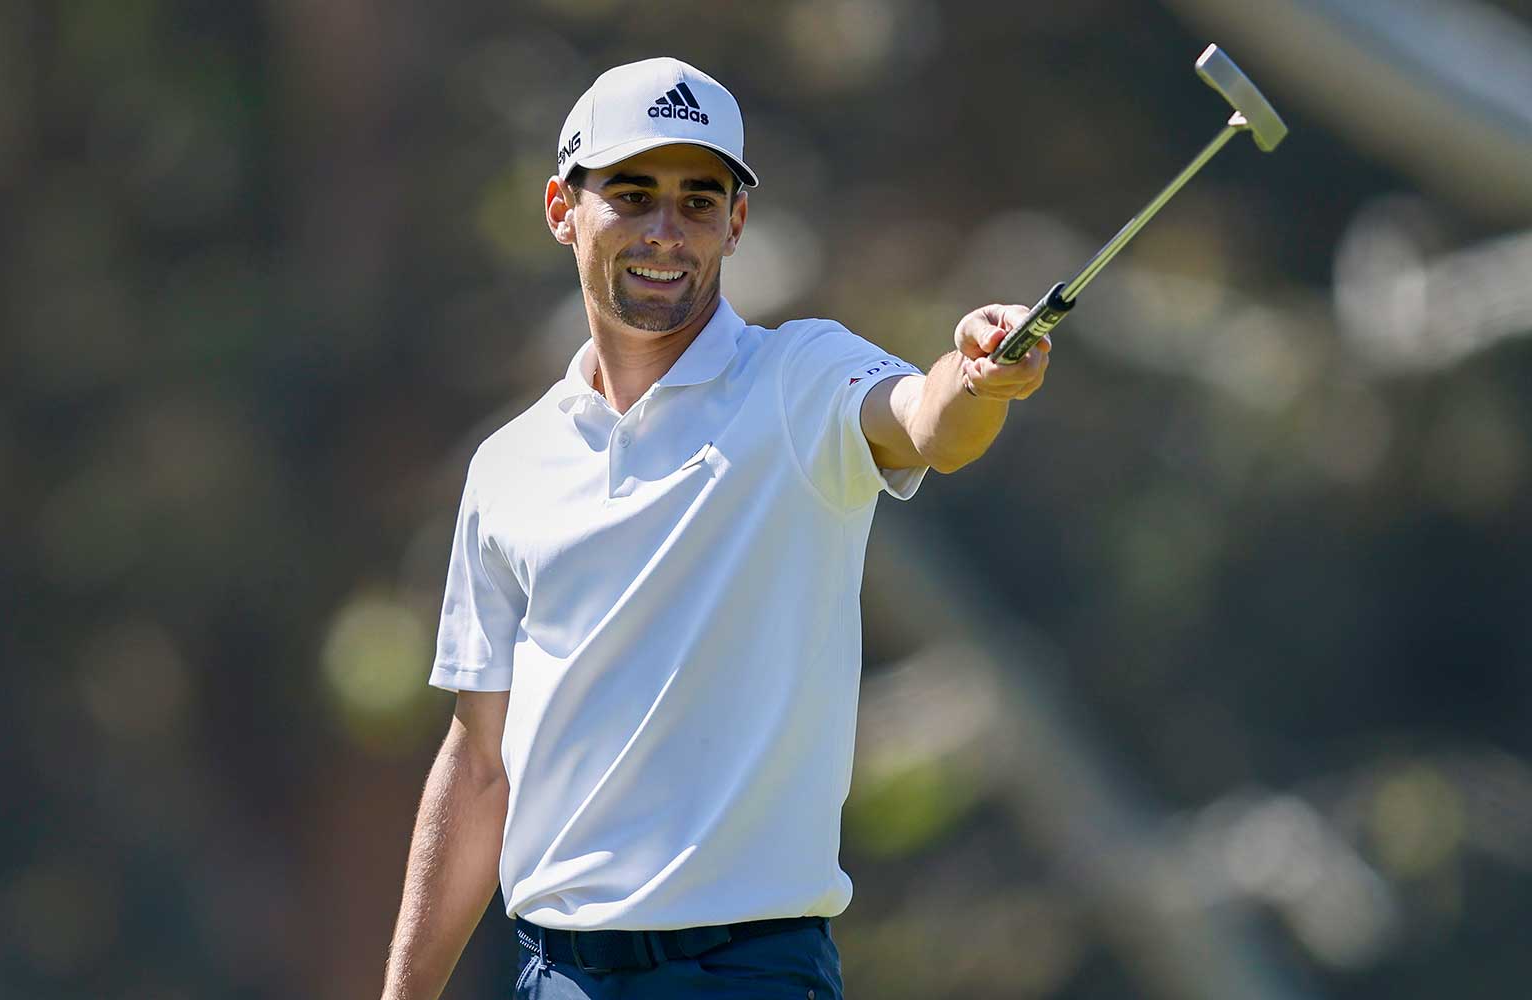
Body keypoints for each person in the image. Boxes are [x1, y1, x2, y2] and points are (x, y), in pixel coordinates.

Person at [378, 57, 1051, 1000]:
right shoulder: (508, 468)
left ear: (736, 223)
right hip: (558, 976)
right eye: (631, 194)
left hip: (752, 973)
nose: (666, 231)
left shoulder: (800, 379)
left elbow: (929, 422)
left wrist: (978, 376)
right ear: (561, 208)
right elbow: (480, 762)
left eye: (699, 201)